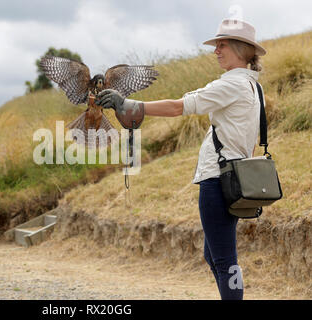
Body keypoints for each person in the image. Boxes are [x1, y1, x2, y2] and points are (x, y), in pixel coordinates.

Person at [95, 19, 267, 300]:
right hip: (236, 180)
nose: (216, 51)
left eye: (221, 45)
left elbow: (177, 107)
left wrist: (128, 105)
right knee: (215, 256)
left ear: (240, 48)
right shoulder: (252, 87)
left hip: (218, 180)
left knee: (224, 261)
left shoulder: (231, 85)